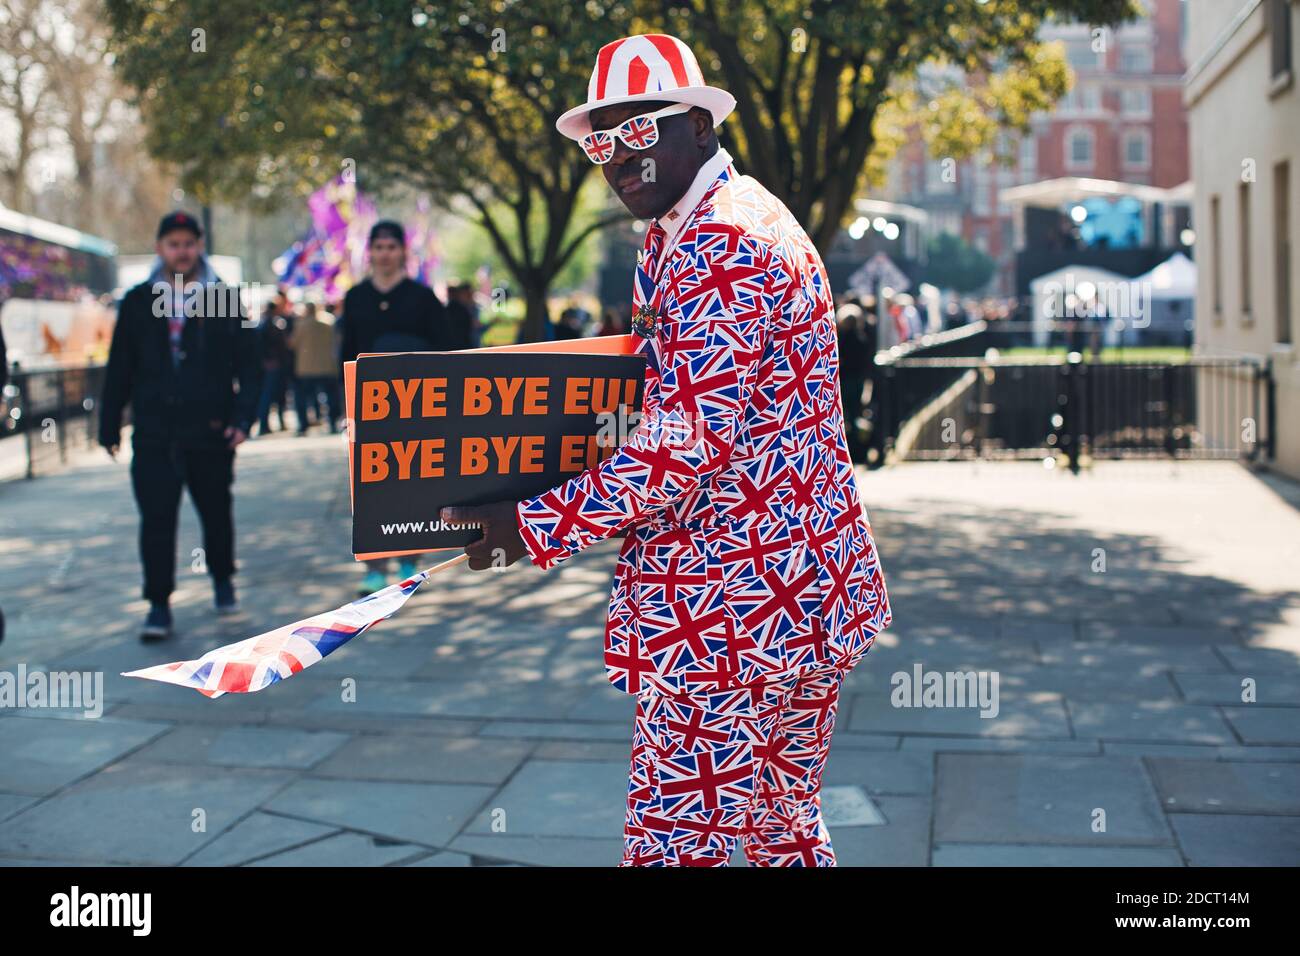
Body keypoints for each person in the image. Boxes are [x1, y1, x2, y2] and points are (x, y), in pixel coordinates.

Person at [441, 33, 891, 867]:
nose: (616, 159)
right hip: (795, 595)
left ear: (699, 128)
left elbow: (685, 442)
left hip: (731, 610)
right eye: (600, 142)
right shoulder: (706, 221)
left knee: (677, 846)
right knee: (779, 831)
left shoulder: (719, 240)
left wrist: (531, 524)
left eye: (638, 131)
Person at [99, 211, 261, 640]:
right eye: (173, 243)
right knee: (156, 520)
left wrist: (244, 419)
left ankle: (222, 579)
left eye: (189, 243)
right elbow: (120, 366)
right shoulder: (138, 300)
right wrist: (109, 424)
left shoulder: (223, 297)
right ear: (160, 248)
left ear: (199, 246)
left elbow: (250, 362)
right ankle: (158, 603)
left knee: (216, 514)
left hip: (210, 430)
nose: (182, 251)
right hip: (154, 432)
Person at [338, 219, 451, 594]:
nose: (385, 254)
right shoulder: (355, 298)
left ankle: (409, 561)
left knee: (412, 483)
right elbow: (346, 353)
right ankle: (374, 567)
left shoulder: (422, 298)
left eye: (391, 246)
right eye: (378, 247)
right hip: (368, 408)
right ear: (368, 252)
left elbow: (446, 350)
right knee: (370, 486)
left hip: (416, 405)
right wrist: (345, 406)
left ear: (404, 251)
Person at [288, 300, 340, 434]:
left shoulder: (301, 325)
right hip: (327, 365)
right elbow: (338, 340)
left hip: (306, 367)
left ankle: (303, 425)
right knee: (331, 396)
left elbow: (293, 344)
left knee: (302, 397)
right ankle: (333, 422)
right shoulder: (329, 322)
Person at [254, 292, 293, 435]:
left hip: (271, 364)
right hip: (273, 365)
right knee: (270, 395)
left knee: (273, 395)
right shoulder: (272, 324)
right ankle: (265, 424)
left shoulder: (263, 323)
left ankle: (267, 424)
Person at [444, 281, 480, 350]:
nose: (471, 296)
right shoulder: (459, 310)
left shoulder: (471, 308)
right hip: (464, 346)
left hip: (468, 345)